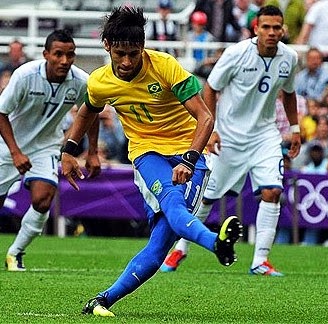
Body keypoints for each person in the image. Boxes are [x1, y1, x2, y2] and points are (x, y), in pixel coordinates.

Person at [59, 6, 242, 317]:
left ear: (143, 46)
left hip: (190, 154)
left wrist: (189, 159)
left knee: (159, 245)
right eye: (120, 54)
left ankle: (102, 300)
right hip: (147, 152)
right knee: (174, 206)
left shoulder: (166, 66)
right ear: (107, 47)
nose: (127, 61)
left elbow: (205, 117)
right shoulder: (100, 81)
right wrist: (71, 150)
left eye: (133, 53)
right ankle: (217, 244)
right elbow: (88, 110)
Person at [160, 6, 300, 277]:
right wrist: (211, 130)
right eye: (266, 27)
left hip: (265, 136)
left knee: (272, 192)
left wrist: (295, 128)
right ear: (255, 28)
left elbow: (290, 93)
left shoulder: (289, 58)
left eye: (277, 28)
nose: (272, 33)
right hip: (229, 137)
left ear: (283, 29)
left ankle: (260, 260)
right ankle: (180, 248)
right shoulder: (236, 54)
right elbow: (210, 88)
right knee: (207, 198)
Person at [1, 30, 101, 271]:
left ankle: (15, 253)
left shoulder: (80, 81)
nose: (64, 61)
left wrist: (93, 152)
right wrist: (15, 152)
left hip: (45, 147)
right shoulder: (25, 75)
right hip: (7, 146)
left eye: (70, 55)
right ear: (46, 54)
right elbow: (1, 113)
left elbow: (91, 112)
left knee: (44, 198)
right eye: (58, 54)